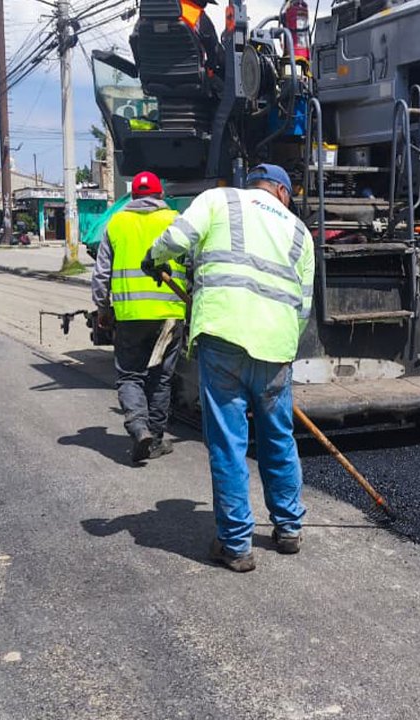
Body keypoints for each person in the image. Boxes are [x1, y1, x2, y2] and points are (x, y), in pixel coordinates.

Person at [144, 164, 314, 573]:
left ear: (253, 185)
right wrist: (284, 345)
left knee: (229, 442)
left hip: (223, 336)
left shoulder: (219, 199)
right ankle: (288, 528)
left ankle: (237, 545)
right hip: (275, 347)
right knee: (278, 438)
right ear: (283, 193)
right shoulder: (300, 232)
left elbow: (176, 239)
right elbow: (304, 306)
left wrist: (154, 258)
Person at [92, 171, 187, 464]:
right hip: (170, 315)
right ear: (160, 196)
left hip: (131, 315)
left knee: (130, 376)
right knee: (161, 379)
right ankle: (156, 439)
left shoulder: (116, 223)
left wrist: (102, 308)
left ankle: (138, 427)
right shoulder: (175, 221)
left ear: (132, 197)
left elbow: (102, 272)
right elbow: (195, 265)